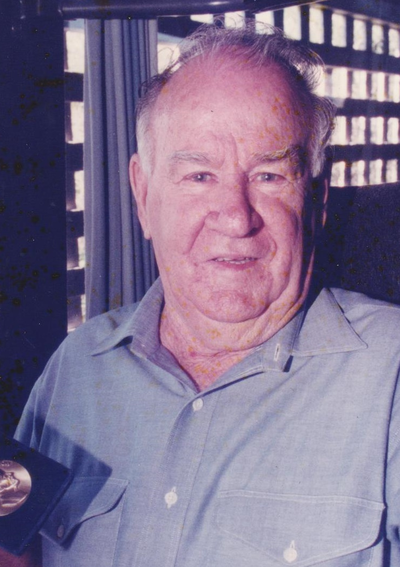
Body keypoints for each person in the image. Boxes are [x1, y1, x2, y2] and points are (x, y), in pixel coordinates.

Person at [7, 20, 400, 567]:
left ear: (317, 201)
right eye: (198, 176)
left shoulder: (390, 379)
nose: (236, 218)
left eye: (269, 176)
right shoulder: (75, 369)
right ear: (143, 196)